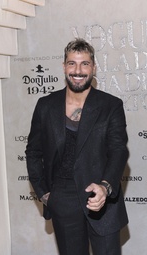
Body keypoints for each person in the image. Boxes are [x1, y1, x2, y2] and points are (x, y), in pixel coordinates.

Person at [25, 38, 129, 255]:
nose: (78, 70)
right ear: (64, 67)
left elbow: (118, 150)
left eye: (85, 64)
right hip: (62, 197)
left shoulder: (111, 105)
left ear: (93, 68)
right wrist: (45, 194)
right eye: (72, 63)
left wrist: (105, 186)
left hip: (100, 195)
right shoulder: (46, 106)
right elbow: (33, 152)